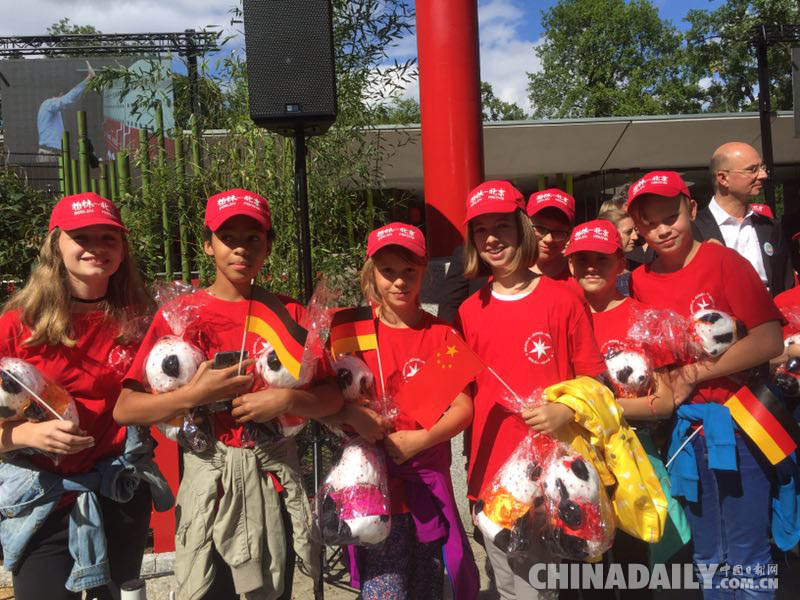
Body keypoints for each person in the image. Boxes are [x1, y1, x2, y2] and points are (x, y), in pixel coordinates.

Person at [114, 188, 343, 600]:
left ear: (268, 245)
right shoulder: (178, 316)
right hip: (209, 488)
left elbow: (333, 399)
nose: (241, 249)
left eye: (253, 238)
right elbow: (126, 408)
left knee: (273, 589)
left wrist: (287, 401)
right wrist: (193, 395)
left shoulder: (289, 315)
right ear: (208, 244)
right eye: (228, 237)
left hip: (273, 482)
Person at [627, 171, 784, 598]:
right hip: (684, 433)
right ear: (637, 229)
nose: (663, 230)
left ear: (692, 209)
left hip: (740, 424)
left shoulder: (724, 262)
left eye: (671, 217)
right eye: (650, 223)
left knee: (748, 552)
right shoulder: (640, 281)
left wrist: (694, 373)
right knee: (708, 552)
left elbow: (768, 339)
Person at [0, 192, 162, 600]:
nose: (96, 248)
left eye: (108, 238)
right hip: (43, 501)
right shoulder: (17, 326)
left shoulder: (142, 320)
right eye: (82, 237)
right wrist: (24, 435)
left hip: (118, 492)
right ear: (56, 245)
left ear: (122, 249)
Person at [456, 180, 607, 599]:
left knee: (539, 587)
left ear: (523, 229)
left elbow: (594, 380)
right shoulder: (469, 311)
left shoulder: (564, 300)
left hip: (550, 476)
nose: (491, 238)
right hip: (491, 475)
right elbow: (462, 397)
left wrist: (567, 410)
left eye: (501, 226)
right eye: (480, 230)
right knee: (507, 585)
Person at [324, 222, 479, 600]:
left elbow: (463, 407)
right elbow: (325, 401)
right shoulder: (350, 331)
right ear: (371, 273)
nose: (399, 281)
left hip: (427, 485)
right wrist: (353, 417)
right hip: (373, 491)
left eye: (409, 270)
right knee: (383, 589)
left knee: (427, 585)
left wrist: (421, 439)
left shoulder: (441, 335)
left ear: (425, 271)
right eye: (388, 270)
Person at [693, 141, 793, 296]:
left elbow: (786, 286)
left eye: (762, 167)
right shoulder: (693, 230)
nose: (763, 175)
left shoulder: (771, 227)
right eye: (752, 169)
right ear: (723, 178)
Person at [36, 65, 93, 163]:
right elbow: (68, 99)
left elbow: (69, 100)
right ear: (61, 94)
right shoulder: (49, 104)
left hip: (50, 152)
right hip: (49, 153)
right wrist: (87, 80)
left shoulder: (48, 107)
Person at [527, 188, 575, 281]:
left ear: (569, 233)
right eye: (540, 228)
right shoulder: (505, 270)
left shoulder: (579, 274)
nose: (548, 239)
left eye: (558, 232)